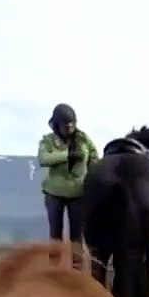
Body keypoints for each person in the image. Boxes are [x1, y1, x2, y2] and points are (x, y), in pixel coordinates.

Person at [36, 103, 100, 243]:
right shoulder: (48, 140)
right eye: (65, 125)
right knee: (55, 234)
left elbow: (94, 159)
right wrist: (68, 156)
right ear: (57, 125)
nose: (69, 128)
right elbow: (43, 158)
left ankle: (76, 265)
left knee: (77, 236)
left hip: (78, 192)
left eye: (71, 125)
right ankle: (54, 264)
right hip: (54, 193)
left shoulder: (84, 140)